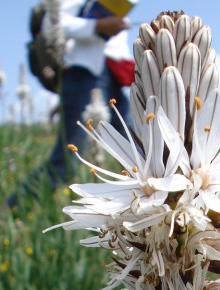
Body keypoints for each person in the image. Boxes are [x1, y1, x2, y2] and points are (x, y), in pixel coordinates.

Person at [7, 0, 129, 208]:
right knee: (68, 160)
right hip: (83, 74)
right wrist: (98, 26)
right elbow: (52, 24)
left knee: (135, 153)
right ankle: (12, 208)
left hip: (113, 74)